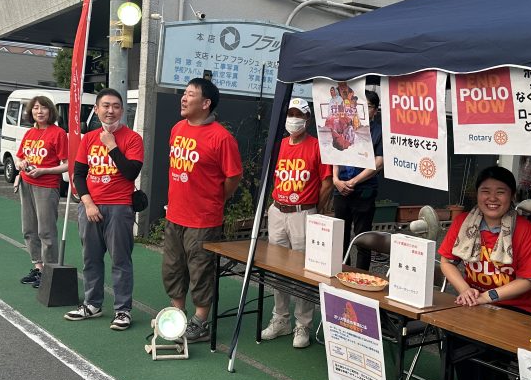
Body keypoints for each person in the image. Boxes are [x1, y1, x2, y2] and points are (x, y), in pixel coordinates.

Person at [438, 166, 531, 380]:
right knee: (452, 339)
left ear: (512, 196)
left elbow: (530, 280)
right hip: (474, 302)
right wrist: (466, 290)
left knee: (486, 349)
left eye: (501, 192)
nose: (492, 198)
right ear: (477, 195)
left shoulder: (525, 229)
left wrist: (488, 296)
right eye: (486, 191)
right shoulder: (464, 222)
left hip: (515, 308)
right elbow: (446, 261)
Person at [162, 78, 242, 343]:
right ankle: (177, 314)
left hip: (203, 218)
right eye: (184, 94)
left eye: (191, 95)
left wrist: (216, 199)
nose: (184, 98)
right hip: (175, 213)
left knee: (200, 271)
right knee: (173, 267)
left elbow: (233, 177)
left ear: (206, 104)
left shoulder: (222, 137)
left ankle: (200, 321)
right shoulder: (176, 128)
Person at [66, 89, 144, 330]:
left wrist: (111, 146)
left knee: (120, 260)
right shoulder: (88, 139)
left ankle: (122, 310)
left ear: (122, 110)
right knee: (90, 258)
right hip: (90, 207)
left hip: (120, 207)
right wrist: (87, 202)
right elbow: (78, 174)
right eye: (106, 106)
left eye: (116, 106)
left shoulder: (132, 139)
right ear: (97, 109)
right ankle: (92, 303)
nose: (111, 111)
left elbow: (131, 172)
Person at [260, 97, 333, 348]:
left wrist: (316, 209)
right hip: (278, 210)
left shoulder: (317, 146)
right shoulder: (278, 145)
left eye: (298, 115)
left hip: (304, 212)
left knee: (304, 269)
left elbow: (327, 182)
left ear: (307, 119)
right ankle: (280, 319)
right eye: (290, 114)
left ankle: (303, 324)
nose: (293, 119)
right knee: (277, 267)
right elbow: (273, 175)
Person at [15, 95, 69, 289]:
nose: (40, 111)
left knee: (46, 230)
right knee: (29, 229)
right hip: (26, 183)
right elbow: (20, 157)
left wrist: (45, 170)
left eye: (44, 108)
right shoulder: (29, 133)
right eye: (36, 108)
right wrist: (22, 164)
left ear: (50, 111)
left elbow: (67, 165)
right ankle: (38, 267)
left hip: (46, 186)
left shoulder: (58, 133)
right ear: (31, 112)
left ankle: (49, 271)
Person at [332, 90, 383, 270]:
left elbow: (379, 162)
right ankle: (341, 271)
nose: (363, 110)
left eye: (368, 106)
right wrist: (335, 179)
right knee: (340, 236)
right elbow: (334, 153)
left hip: (363, 190)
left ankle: (361, 277)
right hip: (340, 189)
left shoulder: (379, 132)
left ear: (375, 111)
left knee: (362, 238)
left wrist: (354, 181)